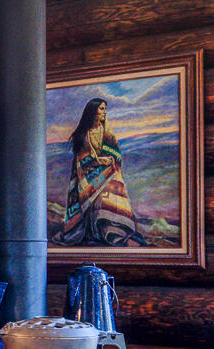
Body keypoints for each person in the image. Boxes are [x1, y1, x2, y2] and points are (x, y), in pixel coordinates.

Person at [58, 97, 147, 246]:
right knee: (92, 203)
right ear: (93, 111)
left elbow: (116, 154)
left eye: (105, 108)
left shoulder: (107, 132)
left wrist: (109, 162)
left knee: (107, 200)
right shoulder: (83, 134)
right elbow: (81, 158)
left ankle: (110, 233)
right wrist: (99, 162)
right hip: (89, 175)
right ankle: (92, 232)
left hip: (108, 172)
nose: (105, 112)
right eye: (101, 108)